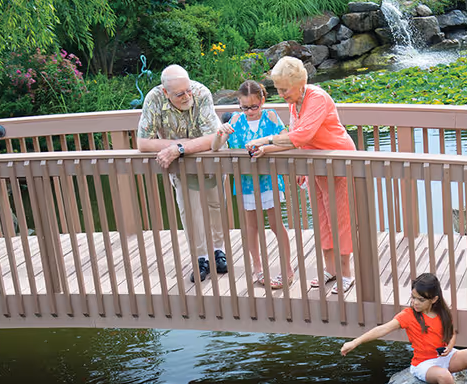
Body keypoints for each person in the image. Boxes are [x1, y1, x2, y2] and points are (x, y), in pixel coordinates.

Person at [245, 56, 355, 295]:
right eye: (279, 89)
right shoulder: (295, 102)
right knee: (323, 219)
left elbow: (302, 135)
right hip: (315, 166)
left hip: (338, 164)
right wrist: (266, 149)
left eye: (285, 89)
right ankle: (331, 269)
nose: (281, 94)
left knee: (340, 219)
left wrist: (264, 139)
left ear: (300, 83)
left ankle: (346, 274)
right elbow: (294, 138)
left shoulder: (316, 98)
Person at [340, 273, 467, 384]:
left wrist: (450, 347)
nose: (415, 302)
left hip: (445, 357)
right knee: (444, 375)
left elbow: (451, 334)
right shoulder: (408, 315)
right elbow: (382, 329)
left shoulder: (442, 312)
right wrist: (355, 342)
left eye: (421, 299)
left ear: (434, 299)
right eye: (413, 297)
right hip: (424, 364)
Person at [137, 65, 228, 283]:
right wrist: (183, 145)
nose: (188, 96)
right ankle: (201, 258)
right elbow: (143, 142)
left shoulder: (202, 93)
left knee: (216, 205)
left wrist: (179, 148)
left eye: (188, 90)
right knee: (189, 210)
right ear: (166, 92)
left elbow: (212, 137)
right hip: (181, 168)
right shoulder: (154, 99)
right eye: (180, 94)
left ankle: (218, 251)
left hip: (211, 159)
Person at [211, 80, 293, 289]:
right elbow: (215, 147)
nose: (249, 111)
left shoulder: (271, 116)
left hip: (270, 180)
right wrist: (222, 133)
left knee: (276, 225)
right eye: (245, 107)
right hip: (246, 182)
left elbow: (286, 139)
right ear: (239, 103)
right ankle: (258, 268)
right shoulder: (236, 120)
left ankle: (287, 267)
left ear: (262, 101)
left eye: (254, 106)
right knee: (251, 227)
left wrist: (265, 143)